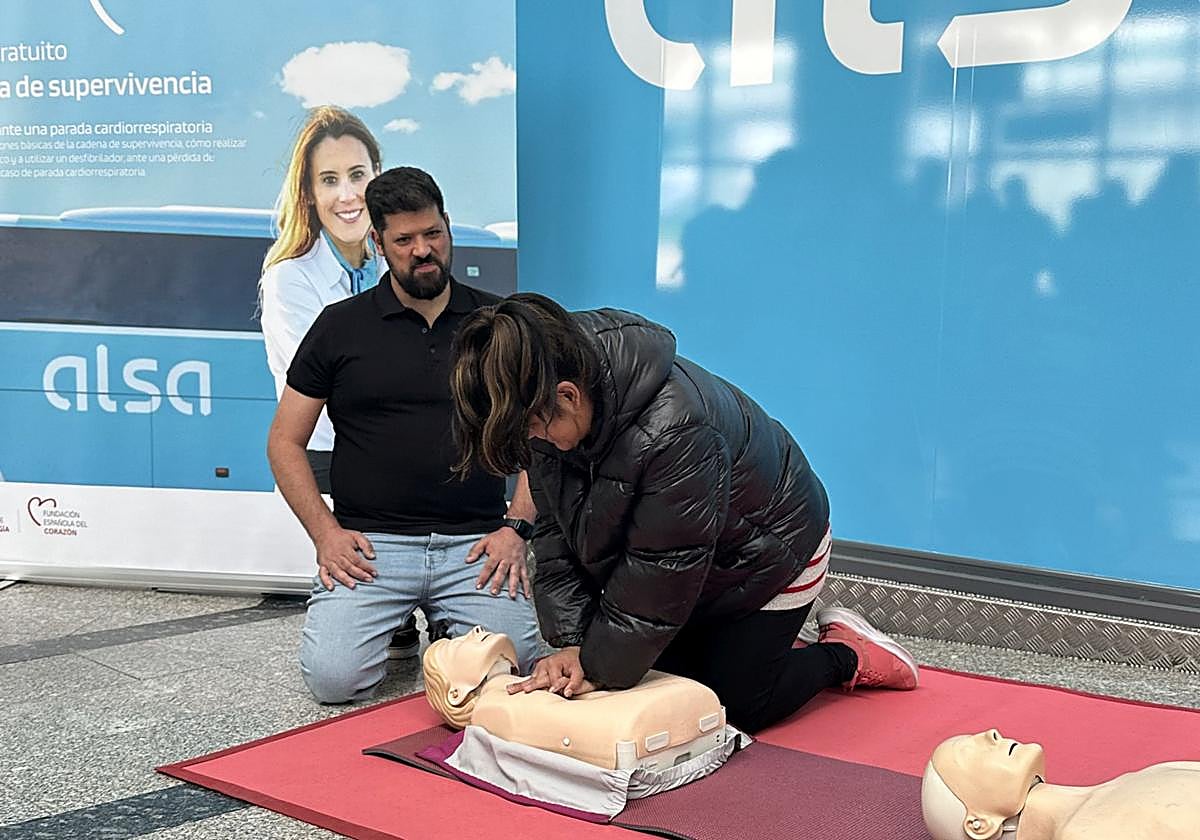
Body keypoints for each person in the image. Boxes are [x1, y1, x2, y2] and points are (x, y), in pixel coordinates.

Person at [448, 294, 918, 734]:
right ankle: (749, 646)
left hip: (773, 549)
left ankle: (846, 653)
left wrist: (595, 664)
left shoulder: (674, 429)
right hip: (695, 558)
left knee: (732, 705)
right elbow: (556, 535)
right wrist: (573, 642)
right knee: (653, 676)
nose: (536, 441)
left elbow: (663, 568)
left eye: (535, 429)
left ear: (568, 397)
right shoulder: (540, 393)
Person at [266, 167, 542, 704]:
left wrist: (516, 529)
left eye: (433, 234)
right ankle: (399, 627)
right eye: (404, 240)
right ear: (377, 242)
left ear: (448, 227)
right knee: (334, 682)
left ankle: (447, 628)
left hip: (474, 545)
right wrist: (326, 535)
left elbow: (542, 439)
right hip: (373, 546)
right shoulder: (339, 327)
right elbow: (284, 442)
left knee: (515, 672)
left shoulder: (498, 323)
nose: (423, 250)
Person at [258, 106, 422, 657]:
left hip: (399, 441)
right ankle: (387, 607)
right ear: (309, 194)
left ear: (378, 175)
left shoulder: (400, 258)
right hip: (337, 451)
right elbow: (328, 387)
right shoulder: (290, 280)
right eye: (329, 180)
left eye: (357, 174)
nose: (347, 194)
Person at [422, 625, 730, 770]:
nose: (475, 629)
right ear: (456, 694)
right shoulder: (494, 708)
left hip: (667, 718)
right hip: (643, 731)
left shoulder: (521, 686)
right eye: (458, 643)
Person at [922, 729, 1200, 839]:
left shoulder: (1147, 774)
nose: (991, 734)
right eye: (969, 752)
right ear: (979, 824)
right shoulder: (1084, 834)